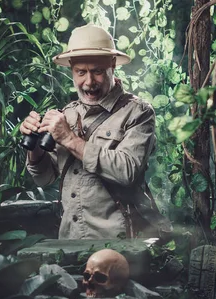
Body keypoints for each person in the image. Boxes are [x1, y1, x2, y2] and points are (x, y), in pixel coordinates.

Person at [20, 24, 172, 240]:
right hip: (70, 239)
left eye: (97, 71)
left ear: (112, 66)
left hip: (119, 244)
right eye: (81, 72)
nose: (89, 82)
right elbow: (44, 178)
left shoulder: (138, 112)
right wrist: (34, 148)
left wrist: (69, 139)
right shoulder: (68, 114)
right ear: (71, 68)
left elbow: (127, 172)